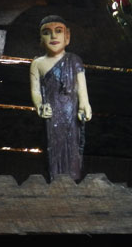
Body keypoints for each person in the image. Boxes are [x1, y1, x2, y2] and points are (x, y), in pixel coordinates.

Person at [30, 15, 92, 179]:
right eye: (47, 32)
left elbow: (82, 90)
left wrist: (84, 105)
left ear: (67, 36)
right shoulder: (38, 63)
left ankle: (73, 179)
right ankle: (53, 178)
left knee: (72, 147)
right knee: (52, 147)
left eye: (58, 31)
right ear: (40, 38)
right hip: (51, 113)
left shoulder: (75, 61)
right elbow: (35, 91)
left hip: (71, 114)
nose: (53, 36)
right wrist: (39, 106)